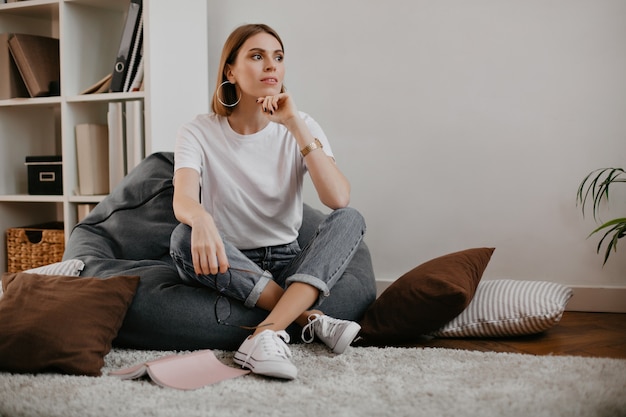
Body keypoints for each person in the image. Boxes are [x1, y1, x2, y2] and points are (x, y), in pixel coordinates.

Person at [169, 23, 366, 380]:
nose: (271, 66)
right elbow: (183, 197)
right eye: (257, 56)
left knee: (350, 218)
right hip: (227, 260)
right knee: (181, 237)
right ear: (230, 70)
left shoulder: (301, 124)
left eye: (278, 57)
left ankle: (263, 334)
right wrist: (201, 219)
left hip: (288, 260)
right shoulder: (198, 130)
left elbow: (338, 197)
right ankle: (307, 317)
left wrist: (293, 124)